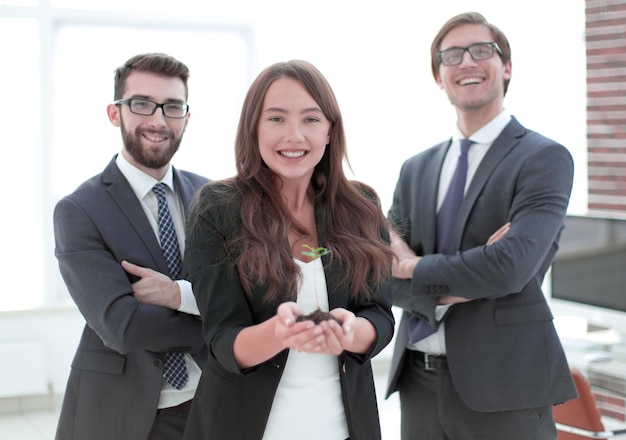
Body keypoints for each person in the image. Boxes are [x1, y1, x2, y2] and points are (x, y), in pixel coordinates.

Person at [385, 12, 578, 440]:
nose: (467, 61)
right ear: (439, 75)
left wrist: (414, 268)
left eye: (482, 51)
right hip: (417, 380)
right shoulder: (415, 168)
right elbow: (381, 275)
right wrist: (473, 271)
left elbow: (510, 268)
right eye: (451, 55)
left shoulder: (543, 159)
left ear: (506, 67)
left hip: (505, 384)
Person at [182, 59, 395, 440]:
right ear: (253, 129)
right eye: (276, 119)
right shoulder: (217, 207)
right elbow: (223, 341)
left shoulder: (361, 206)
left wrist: (350, 333)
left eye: (311, 120)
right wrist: (281, 332)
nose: (294, 135)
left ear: (330, 131)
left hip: (343, 429)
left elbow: (379, 316)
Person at [53, 53, 209, 439]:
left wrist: (178, 296)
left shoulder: (214, 197)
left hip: (214, 406)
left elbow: (248, 295)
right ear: (114, 113)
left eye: (172, 107)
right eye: (141, 104)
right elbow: (122, 327)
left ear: (187, 118)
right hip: (124, 416)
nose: (157, 121)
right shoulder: (80, 210)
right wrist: (222, 326)